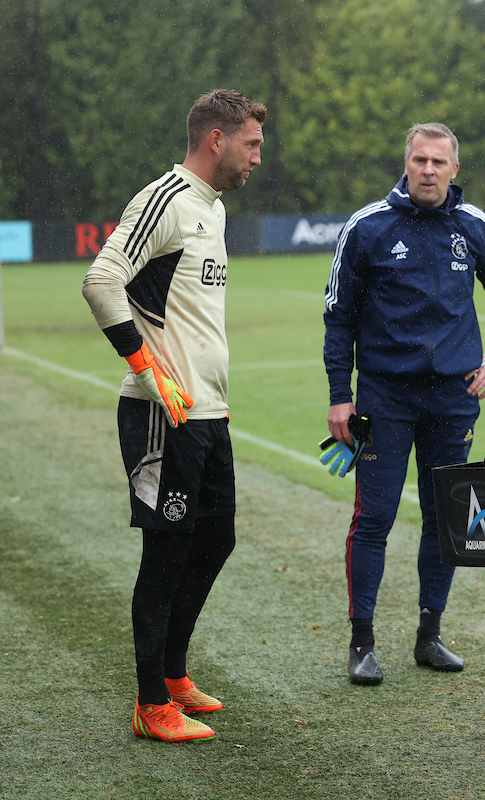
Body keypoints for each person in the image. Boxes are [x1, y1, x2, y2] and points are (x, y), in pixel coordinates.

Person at [80, 89, 266, 742]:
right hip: (162, 413)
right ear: (216, 139)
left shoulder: (212, 208)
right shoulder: (164, 199)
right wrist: (145, 367)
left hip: (207, 413)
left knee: (216, 539)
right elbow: (101, 281)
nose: (257, 158)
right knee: (167, 551)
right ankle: (150, 701)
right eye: (251, 145)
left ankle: (174, 672)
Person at [323, 123, 485, 685]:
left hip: (454, 399)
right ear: (406, 164)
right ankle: (361, 642)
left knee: (444, 519)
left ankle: (430, 635)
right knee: (374, 518)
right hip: (385, 398)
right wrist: (340, 396)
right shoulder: (368, 227)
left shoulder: (474, 226)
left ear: (455, 168)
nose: (428, 170)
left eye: (438, 162)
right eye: (420, 160)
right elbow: (339, 317)